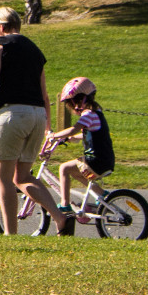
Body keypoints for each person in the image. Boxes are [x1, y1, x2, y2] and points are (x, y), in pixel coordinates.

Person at [0, 6, 72, 235]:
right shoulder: (35, 50)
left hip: (10, 114)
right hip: (37, 115)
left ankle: (10, 234)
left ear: (0, 27)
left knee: (3, 179)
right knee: (22, 176)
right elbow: (44, 94)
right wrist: (48, 128)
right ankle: (60, 217)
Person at [52, 76, 115, 222]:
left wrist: (54, 136)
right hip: (104, 160)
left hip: (96, 161)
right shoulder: (97, 113)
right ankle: (102, 194)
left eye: (71, 103)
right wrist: (73, 139)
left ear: (79, 101)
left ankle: (65, 205)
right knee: (78, 172)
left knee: (64, 169)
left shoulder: (88, 114)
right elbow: (90, 133)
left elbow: (74, 129)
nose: (72, 108)